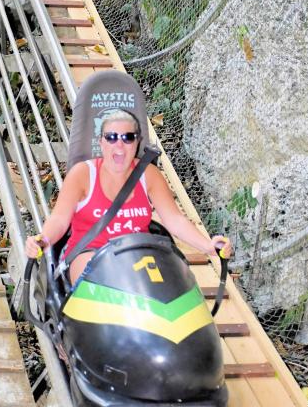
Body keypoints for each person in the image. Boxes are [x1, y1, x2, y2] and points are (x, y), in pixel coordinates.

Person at [25, 109, 232, 283]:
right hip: (91, 254)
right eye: (112, 137)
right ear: (102, 142)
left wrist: (208, 246)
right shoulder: (82, 174)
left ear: (137, 142)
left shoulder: (148, 175)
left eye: (128, 138)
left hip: (140, 257)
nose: (119, 146)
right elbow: (59, 220)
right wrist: (42, 241)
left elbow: (174, 219)